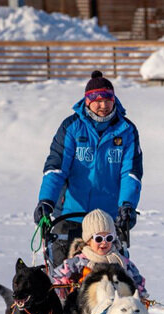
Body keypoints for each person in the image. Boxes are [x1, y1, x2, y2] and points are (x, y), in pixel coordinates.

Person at [34, 70, 143, 265]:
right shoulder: (72, 127)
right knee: (65, 277)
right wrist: (46, 202)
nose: (103, 105)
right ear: (87, 101)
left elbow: (131, 174)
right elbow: (56, 169)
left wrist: (127, 205)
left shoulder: (127, 130)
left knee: (108, 278)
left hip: (107, 220)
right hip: (70, 215)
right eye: (97, 99)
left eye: (108, 99)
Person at [51, 209, 146, 299]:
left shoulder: (121, 261)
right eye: (99, 239)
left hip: (117, 305)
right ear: (88, 241)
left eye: (108, 238)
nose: (104, 242)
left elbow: (137, 280)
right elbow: (59, 276)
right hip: (85, 305)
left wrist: (140, 296)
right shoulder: (80, 261)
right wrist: (60, 291)